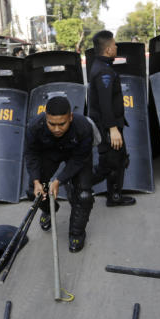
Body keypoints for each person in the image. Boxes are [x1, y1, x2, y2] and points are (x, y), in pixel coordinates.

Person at [25, 96, 96, 252]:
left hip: (76, 155)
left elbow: (79, 160)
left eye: (62, 124)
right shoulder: (35, 127)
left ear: (70, 117)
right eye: (52, 124)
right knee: (34, 191)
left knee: (84, 196)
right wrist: (37, 181)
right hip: (50, 154)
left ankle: (77, 232)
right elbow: (31, 154)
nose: (57, 129)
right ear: (46, 118)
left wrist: (59, 180)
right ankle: (49, 209)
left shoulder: (83, 127)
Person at [87, 30, 135, 207]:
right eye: (114, 45)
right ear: (108, 50)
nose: (116, 47)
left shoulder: (103, 67)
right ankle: (77, 186)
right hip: (107, 126)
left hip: (112, 124)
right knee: (108, 163)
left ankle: (114, 196)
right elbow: (105, 103)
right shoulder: (103, 72)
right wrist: (112, 129)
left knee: (119, 160)